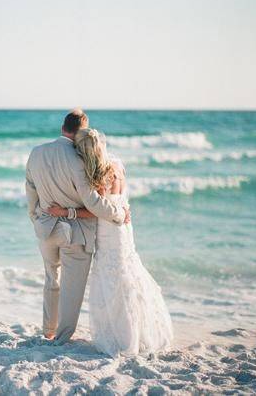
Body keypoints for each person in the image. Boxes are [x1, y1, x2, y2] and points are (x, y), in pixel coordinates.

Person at [46, 128, 174, 356]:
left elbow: (96, 211)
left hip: (109, 230)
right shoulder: (117, 165)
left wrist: (65, 212)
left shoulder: (99, 176)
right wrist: (123, 209)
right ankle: (141, 332)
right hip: (124, 230)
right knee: (128, 272)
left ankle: (124, 336)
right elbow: (120, 201)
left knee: (113, 278)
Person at [25, 109, 130, 345]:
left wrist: (35, 217)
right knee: (71, 290)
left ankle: (48, 331)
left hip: (45, 227)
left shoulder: (37, 152)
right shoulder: (78, 160)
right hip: (76, 233)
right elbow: (92, 201)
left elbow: (30, 188)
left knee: (52, 279)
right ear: (81, 131)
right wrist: (118, 213)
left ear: (64, 127)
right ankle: (61, 338)